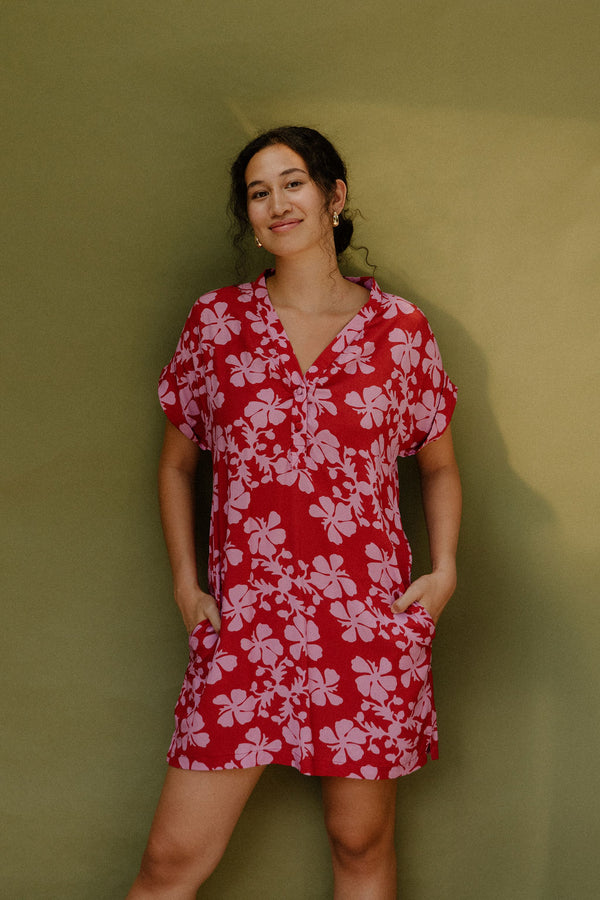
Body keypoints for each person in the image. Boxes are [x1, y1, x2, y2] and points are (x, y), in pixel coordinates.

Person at [127, 125, 461, 899]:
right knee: (172, 861)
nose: (278, 202)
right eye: (258, 191)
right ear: (249, 216)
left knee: (359, 841)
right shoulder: (216, 325)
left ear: (334, 197)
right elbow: (178, 466)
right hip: (245, 626)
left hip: (366, 625)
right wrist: (187, 583)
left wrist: (443, 573)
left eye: (294, 182)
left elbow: (438, 468)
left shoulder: (401, 333)